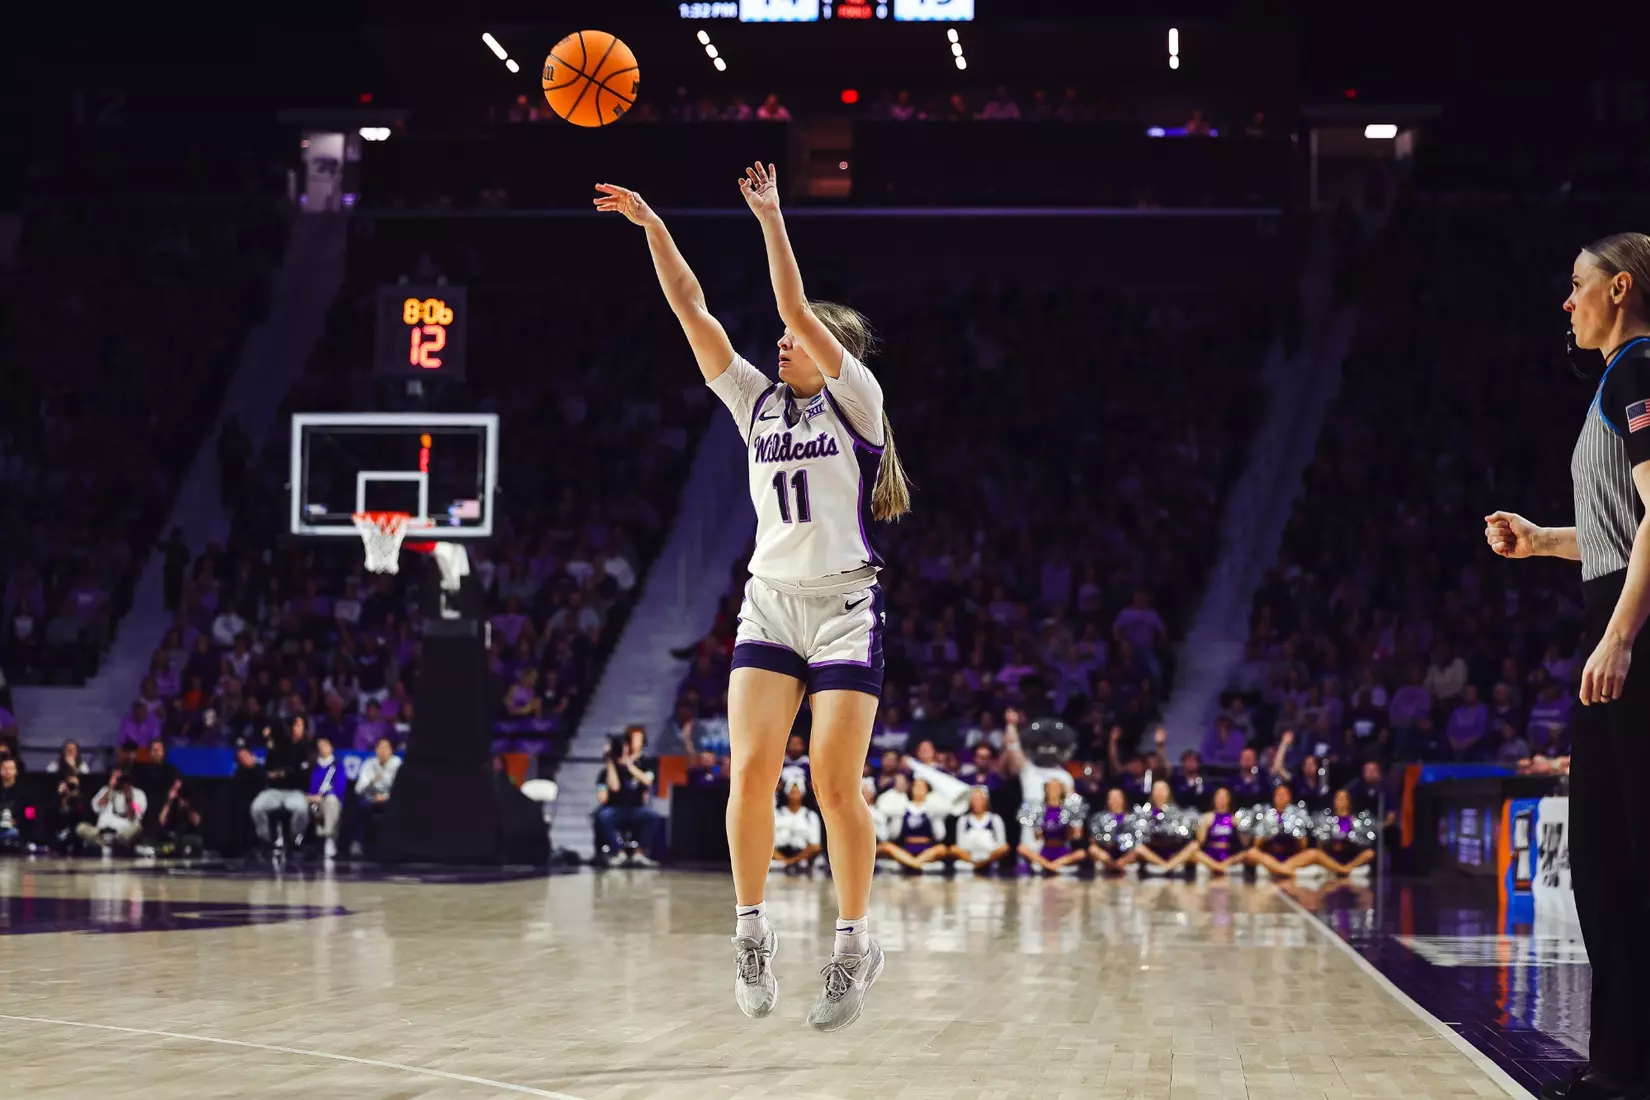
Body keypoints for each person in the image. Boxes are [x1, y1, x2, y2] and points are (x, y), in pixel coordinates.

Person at [596, 162, 913, 1031]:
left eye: (795, 340)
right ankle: (750, 933)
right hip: (771, 603)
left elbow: (797, 310)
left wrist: (772, 219)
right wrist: (654, 223)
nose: (779, 344)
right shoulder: (754, 403)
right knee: (750, 773)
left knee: (835, 787)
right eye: (778, 342)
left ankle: (852, 946)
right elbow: (692, 311)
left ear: (830, 352)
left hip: (845, 606)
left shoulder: (858, 403)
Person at [1484, 231, 1650, 1100]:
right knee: (1607, 858)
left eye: (1577, 285)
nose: (1567, 301)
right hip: (1617, 609)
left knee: (1624, 856)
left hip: (1635, 630)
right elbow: (1623, 530)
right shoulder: (1617, 382)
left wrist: (1621, 634)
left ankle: (1628, 1071)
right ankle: (1623, 1066)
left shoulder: (1637, 368)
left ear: (1619, 289)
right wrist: (1546, 539)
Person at [593, 725, 664, 866]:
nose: (633, 742)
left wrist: (629, 765)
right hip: (615, 808)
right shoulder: (610, 767)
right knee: (603, 816)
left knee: (653, 816)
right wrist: (610, 761)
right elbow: (614, 787)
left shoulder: (647, 763)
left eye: (637, 739)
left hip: (636, 808)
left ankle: (639, 853)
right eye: (631, 739)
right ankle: (619, 853)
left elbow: (648, 780)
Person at [251, 715, 314, 852]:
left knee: (302, 810)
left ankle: (296, 842)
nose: (294, 728)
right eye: (293, 725)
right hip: (275, 791)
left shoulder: (308, 747)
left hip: (296, 792)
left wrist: (283, 773)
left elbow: (302, 771)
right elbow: (269, 768)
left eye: (298, 725)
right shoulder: (280, 744)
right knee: (257, 807)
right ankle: (266, 840)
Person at [77, 768, 146, 853]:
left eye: (121, 778)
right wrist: (110, 789)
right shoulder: (105, 790)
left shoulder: (138, 794)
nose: (119, 781)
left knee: (137, 826)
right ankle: (105, 844)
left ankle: (112, 844)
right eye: (115, 777)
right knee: (80, 828)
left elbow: (136, 816)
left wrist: (129, 799)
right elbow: (96, 808)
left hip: (121, 833)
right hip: (101, 832)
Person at [947, 785, 1008, 873]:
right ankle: (978, 864)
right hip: (969, 855)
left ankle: (978, 865)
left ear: (985, 801)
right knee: (953, 849)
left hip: (989, 855)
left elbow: (1001, 843)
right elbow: (959, 845)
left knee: (1005, 848)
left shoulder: (995, 819)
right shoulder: (963, 820)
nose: (977, 803)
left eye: (980, 799)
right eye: (974, 800)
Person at [307, 736, 349, 859]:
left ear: (331, 747)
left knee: (331, 802)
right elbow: (311, 787)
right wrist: (311, 797)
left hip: (332, 802)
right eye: (319, 746)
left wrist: (324, 795)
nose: (322, 748)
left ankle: (329, 838)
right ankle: (298, 841)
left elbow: (340, 788)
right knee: (311, 807)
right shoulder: (314, 767)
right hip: (315, 804)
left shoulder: (337, 767)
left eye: (325, 745)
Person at [772, 781, 823, 872]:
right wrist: (783, 860)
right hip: (776, 862)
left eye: (797, 792)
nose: (794, 795)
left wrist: (793, 861)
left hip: (803, 862)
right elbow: (765, 842)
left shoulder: (810, 816)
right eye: (792, 791)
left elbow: (815, 846)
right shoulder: (775, 814)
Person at [1194, 787, 1246, 875]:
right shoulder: (1206, 817)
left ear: (1229, 799)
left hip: (1229, 856)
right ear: (1214, 799)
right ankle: (1219, 867)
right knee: (1194, 850)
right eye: (1218, 797)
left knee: (1247, 853)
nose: (1221, 800)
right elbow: (1200, 842)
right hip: (1210, 856)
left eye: (1224, 797)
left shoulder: (1235, 819)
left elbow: (1244, 843)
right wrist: (1203, 826)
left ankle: (1221, 866)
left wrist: (1240, 827)